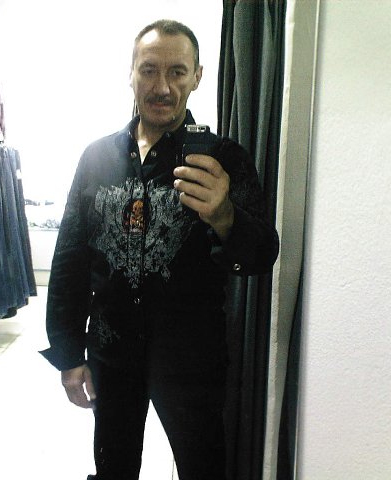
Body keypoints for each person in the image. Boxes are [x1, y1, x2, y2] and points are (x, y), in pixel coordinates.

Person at [40, 19, 279, 480]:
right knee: (113, 468)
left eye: (177, 71)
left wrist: (224, 215)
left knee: (203, 468)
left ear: (197, 77)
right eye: (149, 70)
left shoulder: (224, 158)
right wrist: (68, 354)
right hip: (111, 351)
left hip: (191, 357)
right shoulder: (96, 158)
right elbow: (70, 259)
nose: (162, 87)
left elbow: (261, 255)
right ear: (130, 73)